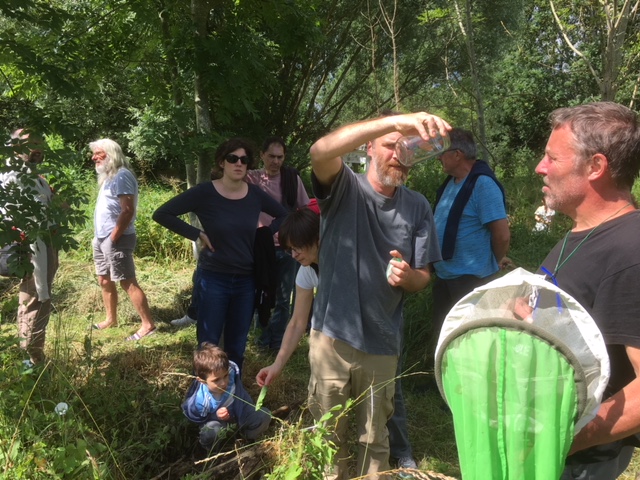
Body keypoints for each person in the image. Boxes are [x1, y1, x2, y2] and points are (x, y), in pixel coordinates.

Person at [304, 111, 447, 479]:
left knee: (375, 442)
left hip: (383, 342)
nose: (399, 155)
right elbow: (319, 151)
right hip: (332, 339)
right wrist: (398, 121)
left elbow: (423, 277)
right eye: (389, 145)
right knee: (328, 440)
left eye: (407, 148)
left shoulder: (417, 206)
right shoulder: (344, 187)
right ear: (368, 147)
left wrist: (408, 276)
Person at [256, 206, 421, 474]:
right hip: (331, 351)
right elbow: (297, 322)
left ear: (318, 238)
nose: (294, 255)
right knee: (330, 430)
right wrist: (277, 364)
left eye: (298, 247)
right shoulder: (307, 271)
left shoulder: (353, 256)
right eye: (289, 250)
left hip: (375, 344)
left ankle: (398, 456)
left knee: (377, 423)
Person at [530, 102, 640, 479]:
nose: (540, 167)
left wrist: (565, 440)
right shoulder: (582, 233)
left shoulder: (631, 249)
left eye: (552, 158)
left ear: (595, 166)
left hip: (574, 464)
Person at [153, 138, 287, 371]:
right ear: (221, 162)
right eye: (232, 158)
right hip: (214, 278)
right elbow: (163, 213)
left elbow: (284, 215)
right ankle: (203, 390)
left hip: (246, 280)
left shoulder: (254, 194)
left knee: (237, 345)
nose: (239, 163)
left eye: (244, 160)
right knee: (208, 345)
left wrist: (264, 235)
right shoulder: (205, 192)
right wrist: (197, 234)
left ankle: (233, 388)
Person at [431, 128, 510, 344]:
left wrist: (492, 262)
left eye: (442, 152)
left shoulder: (482, 184)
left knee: (470, 341)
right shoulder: (451, 183)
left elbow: (502, 235)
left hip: (471, 281)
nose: (438, 157)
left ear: (457, 154)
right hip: (445, 276)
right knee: (445, 339)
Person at [0, 129, 58, 365]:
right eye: (30, 143)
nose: (37, 148)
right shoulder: (16, 176)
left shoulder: (30, 175)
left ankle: (27, 353)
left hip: (40, 243)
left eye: (40, 143)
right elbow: (33, 219)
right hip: (34, 246)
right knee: (38, 297)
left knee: (31, 295)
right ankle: (34, 359)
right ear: (15, 147)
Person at [246, 136, 309, 350]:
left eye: (280, 157)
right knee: (262, 294)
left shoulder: (292, 179)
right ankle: (261, 340)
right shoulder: (251, 178)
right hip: (260, 247)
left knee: (283, 298)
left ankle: (276, 342)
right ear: (262, 155)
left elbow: (304, 209)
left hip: (287, 247)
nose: (275, 161)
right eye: (271, 156)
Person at [89, 139, 156, 341]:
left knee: (127, 281)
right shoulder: (108, 177)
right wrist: (100, 239)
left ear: (111, 154)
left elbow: (127, 211)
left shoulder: (122, 175)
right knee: (104, 279)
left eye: (98, 153)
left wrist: (113, 238)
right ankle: (111, 319)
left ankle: (148, 325)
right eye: (94, 154)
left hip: (117, 238)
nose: (93, 157)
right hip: (102, 238)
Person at [182, 342, 270, 449]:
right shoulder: (201, 401)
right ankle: (214, 450)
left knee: (264, 415)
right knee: (211, 431)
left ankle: (247, 440)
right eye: (216, 380)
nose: (223, 383)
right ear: (202, 381)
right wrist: (216, 416)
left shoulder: (231, 372)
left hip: (240, 411)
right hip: (219, 423)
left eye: (225, 376)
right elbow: (200, 420)